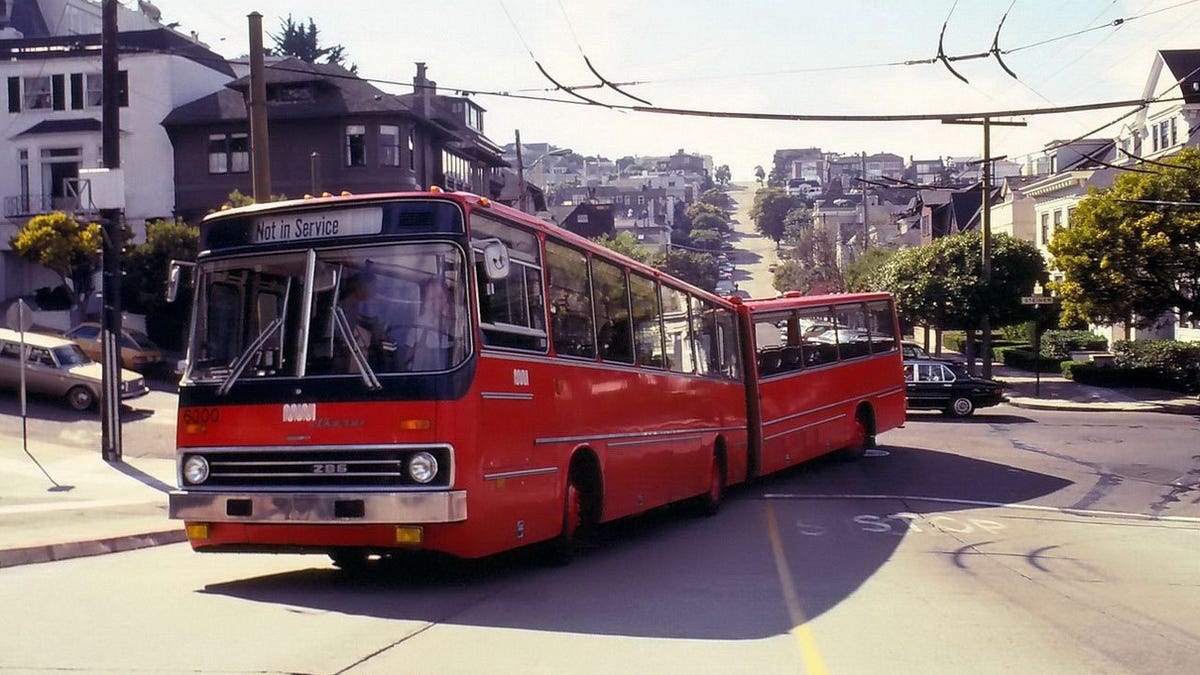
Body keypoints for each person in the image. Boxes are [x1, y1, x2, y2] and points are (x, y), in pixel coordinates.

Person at [407, 276, 455, 370]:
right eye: (431, 298)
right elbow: (408, 355)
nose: (435, 302)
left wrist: (449, 319)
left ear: (447, 297)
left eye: (440, 297)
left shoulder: (462, 321)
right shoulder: (419, 324)